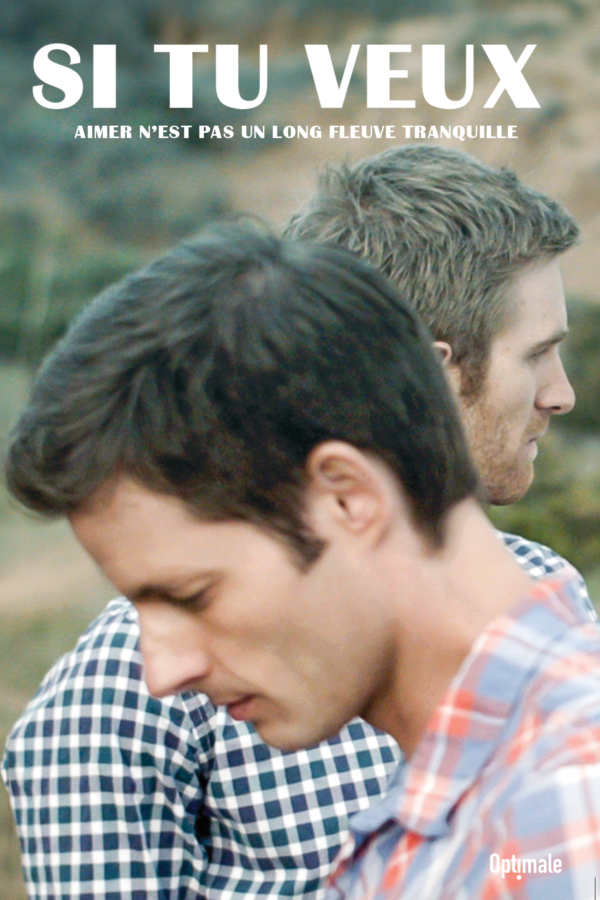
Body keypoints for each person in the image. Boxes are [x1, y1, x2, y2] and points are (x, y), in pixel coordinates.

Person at [1, 148, 590, 900]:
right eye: (536, 354)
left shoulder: (547, 612)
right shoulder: (118, 696)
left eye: (194, 594)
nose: (561, 395)